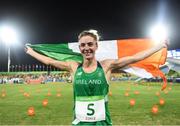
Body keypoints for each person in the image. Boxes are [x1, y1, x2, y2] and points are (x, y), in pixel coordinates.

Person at [25, 29, 168, 125]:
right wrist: (31, 52)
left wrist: (159, 46)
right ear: (79, 48)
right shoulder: (73, 67)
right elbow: (49, 61)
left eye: (90, 44)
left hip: (102, 123)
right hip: (79, 123)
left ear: (96, 46)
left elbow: (134, 58)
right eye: (82, 45)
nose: (86, 48)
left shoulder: (106, 66)